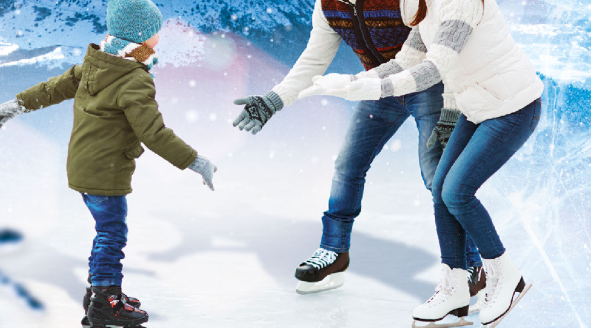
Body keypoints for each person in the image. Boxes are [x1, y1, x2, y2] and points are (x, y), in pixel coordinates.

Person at [302, 0, 542, 326]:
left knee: (457, 191)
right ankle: (455, 290)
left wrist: (366, 90)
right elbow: (406, 61)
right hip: (476, 107)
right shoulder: (422, 5)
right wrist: (350, 82)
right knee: (442, 187)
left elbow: (432, 69)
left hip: (511, 107)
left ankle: (505, 275)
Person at [0, 0, 217, 327]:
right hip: (106, 172)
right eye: (153, 33)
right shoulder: (134, 78)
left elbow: (52, 89)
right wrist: (195, 161)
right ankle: (107, 299)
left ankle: (97, 292)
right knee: (111, 233)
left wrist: (16, 104)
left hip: (83, 165)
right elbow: (154, 133)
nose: (158, 39)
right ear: (139, 37)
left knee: (104, 232)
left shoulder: (96, 63)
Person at [231, 0, 484, 301]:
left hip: (427, 85)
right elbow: (313, 61)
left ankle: (471, 264)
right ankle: (334, 250)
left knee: (438, 177)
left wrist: (453, 101)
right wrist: (275, 100)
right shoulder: (327, 7)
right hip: (380, 88)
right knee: (347, 166)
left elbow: (446, 47)